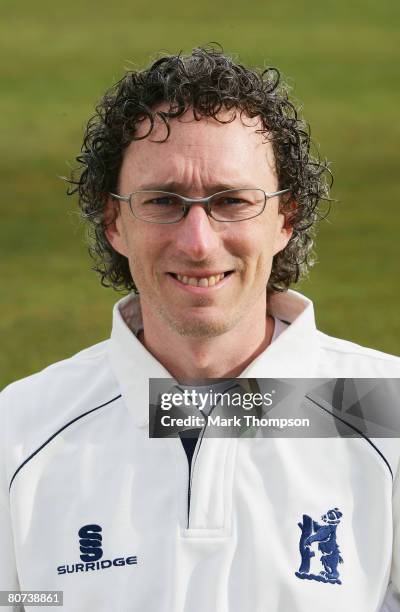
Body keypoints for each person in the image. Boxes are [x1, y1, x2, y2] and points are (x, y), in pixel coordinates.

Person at [1, 47, 399, 612]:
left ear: (286, 217)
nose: (198, 243)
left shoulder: (387, 411)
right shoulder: (18, 430)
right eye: (163, 200)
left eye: (231, 201)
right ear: (114, 222)